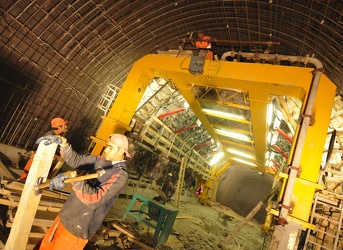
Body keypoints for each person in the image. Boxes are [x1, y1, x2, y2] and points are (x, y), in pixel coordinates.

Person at [33, 133, 130, 250]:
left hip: (78, 227)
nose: (106, 151)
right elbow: (77, 161)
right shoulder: (102, 160)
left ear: (121, 151)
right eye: (107, 146)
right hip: (66, 215)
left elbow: (95, 199)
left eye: (110, 147)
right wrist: (64, 144)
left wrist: (73, 179)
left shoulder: (120, 174)